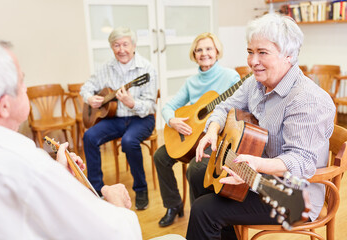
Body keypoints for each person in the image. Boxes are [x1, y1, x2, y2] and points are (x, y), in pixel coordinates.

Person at [186, 13, 336, 240]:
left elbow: (302, 162)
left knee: (204, 210)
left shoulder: (307, 99)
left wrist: (255, 165)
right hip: (257, 175)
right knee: (197, 171)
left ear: (289, 55)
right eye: (250, 52)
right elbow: (224, 107)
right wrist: (213, 129)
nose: (252, 61)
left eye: (262, 53)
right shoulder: (255, 83)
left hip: (294, 195)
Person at [0, 35, 142, 239]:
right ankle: (98, 186)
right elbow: (117, 234)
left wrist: (59, 171)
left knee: (130, 141)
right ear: (5, 106)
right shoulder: (32, 166)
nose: (25, 87)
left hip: (136, 119)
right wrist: (117, 203)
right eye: (21, 81)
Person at [154, 32, 240, 227]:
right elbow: (167, 107)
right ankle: (173, 205)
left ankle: (199, 219)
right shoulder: (191, 82)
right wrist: (172, 121)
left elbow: (238, 108)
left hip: (217, 137)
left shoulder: (230, 77)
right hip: (191, 138)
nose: (204, 53)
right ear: (194, 54)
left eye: (209, 48)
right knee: (160, 156)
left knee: (195, 168)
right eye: (199, 50)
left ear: (217, 52)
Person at [80, 27, 158, 210]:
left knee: (129, 141)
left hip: (142, 118)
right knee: (89, 136)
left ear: (134, 46)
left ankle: (141, 189)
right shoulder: (105, 68)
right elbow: (86, 87)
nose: (121, 49)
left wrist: (132, 103)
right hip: (115, 118)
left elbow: (150, 105)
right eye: (116, 45)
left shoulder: (146, 69)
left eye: (125, 44)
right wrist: (90, 98)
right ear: (111, 47)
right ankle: (96, 189)